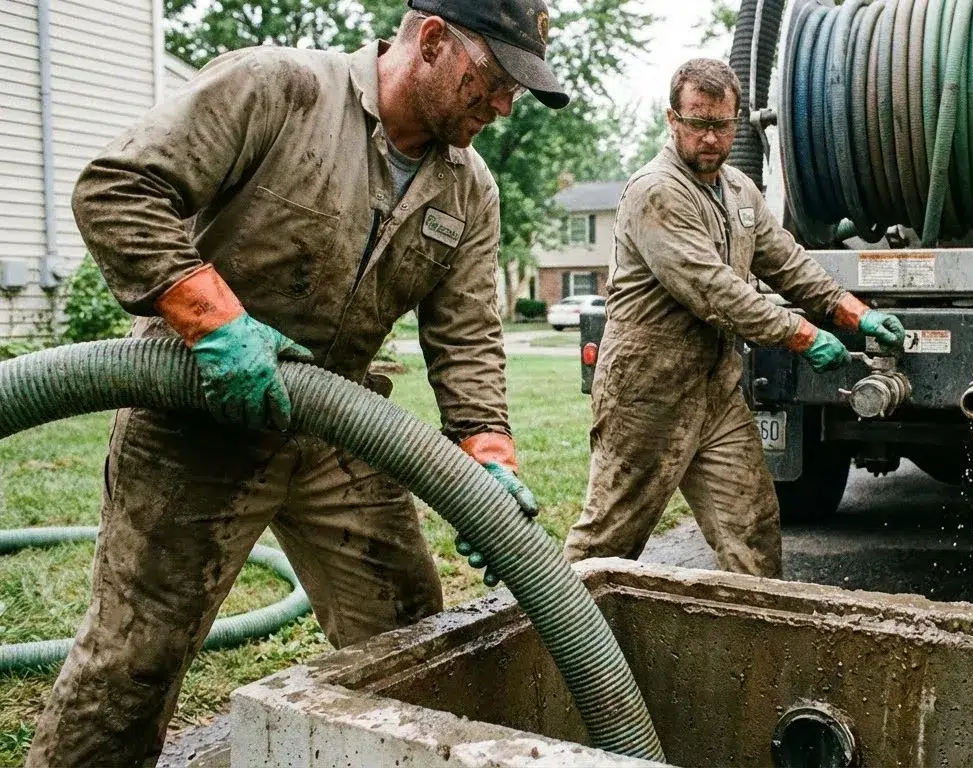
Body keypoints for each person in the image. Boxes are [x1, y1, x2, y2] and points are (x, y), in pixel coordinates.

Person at [25, 0, 567, 763]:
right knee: (132, 663)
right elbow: (117, 190)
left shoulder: (469, 187)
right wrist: (215, 321)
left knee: (408, 637)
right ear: (434, 42)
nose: (506, 105)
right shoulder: (277, 88)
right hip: (197, 413)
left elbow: (469, 335)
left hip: (337, 427)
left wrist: (487, 454)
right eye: (496, 80)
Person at [563, 58, 906, 578]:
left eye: (722, 125)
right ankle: (552, 642)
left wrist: (855, 313)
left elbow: (786, 261)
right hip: (645, 394)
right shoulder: (656, 192)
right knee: (608, 543)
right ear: (672, 120)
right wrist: (803, 335)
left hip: (716, 392)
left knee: (752, 525)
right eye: (697, 123)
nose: (710, 138)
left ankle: (752, 647)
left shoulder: (741, 192)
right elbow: (715, 291)